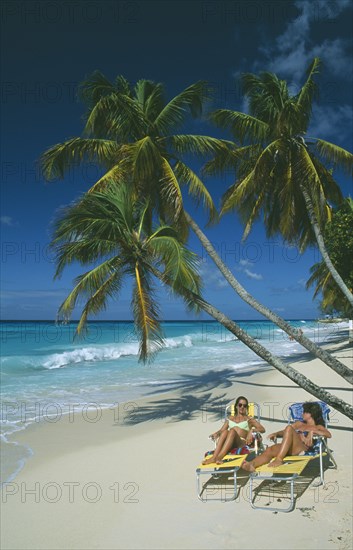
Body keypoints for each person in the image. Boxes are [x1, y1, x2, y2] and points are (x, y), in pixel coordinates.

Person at [241, 402, 331, 472]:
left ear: (310, 414)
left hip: (301, 450)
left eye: (304, 412)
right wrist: (276, 434)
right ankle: (252, 464)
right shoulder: (299, 424)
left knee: (289, 428)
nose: (302, 414)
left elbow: (328, 435)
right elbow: (285, 432)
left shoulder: (318, 427)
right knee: (270, 450)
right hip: (289, 448)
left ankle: (279, 459)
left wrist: (312, 431)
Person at [202, 396, 265, 465]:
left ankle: (219, 457)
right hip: (228, 442)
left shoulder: (249, 419)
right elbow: (221, 430)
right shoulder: (230, 418)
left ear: (247, 408)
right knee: (225, 431)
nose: (242, 407)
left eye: (244, 406)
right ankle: (214, 457)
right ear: (236, 406)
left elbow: (262, 429)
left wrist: (252, 430)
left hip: (241, 443)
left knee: (232, 431)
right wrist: (216, 433)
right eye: (240, 405)